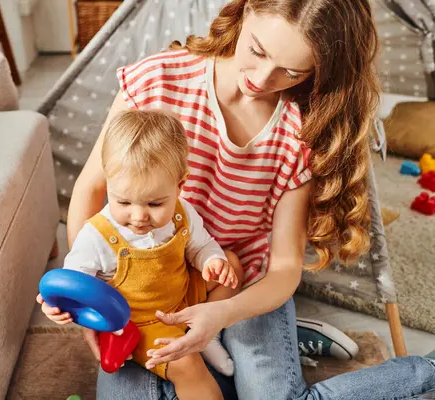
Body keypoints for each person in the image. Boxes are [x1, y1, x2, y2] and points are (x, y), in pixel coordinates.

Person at [67, 0, 435, 399]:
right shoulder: (157, 82)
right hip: (148, 283)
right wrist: (92, 297)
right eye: (257, 51)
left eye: (291, 71)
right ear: (244, 12)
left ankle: (425, 370)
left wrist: (222, 314)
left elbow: (283, 269)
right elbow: (91, 190)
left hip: (247, 290)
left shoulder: (303, 132)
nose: (261, 78)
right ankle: (281, 343)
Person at [38, 109, 242, 400]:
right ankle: (195, 346)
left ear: (180, 186)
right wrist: (55, 304)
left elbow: (201, 246)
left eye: (155, 203)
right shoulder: (97, 235)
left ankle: (207, 332)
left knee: (232, 266)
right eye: (123, 201)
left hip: (181, 298)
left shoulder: (184, 213)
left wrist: (212, 261)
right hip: (139, 322)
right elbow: (74, 284)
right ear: (108, 183)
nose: (138, 216)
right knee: (187, 365)